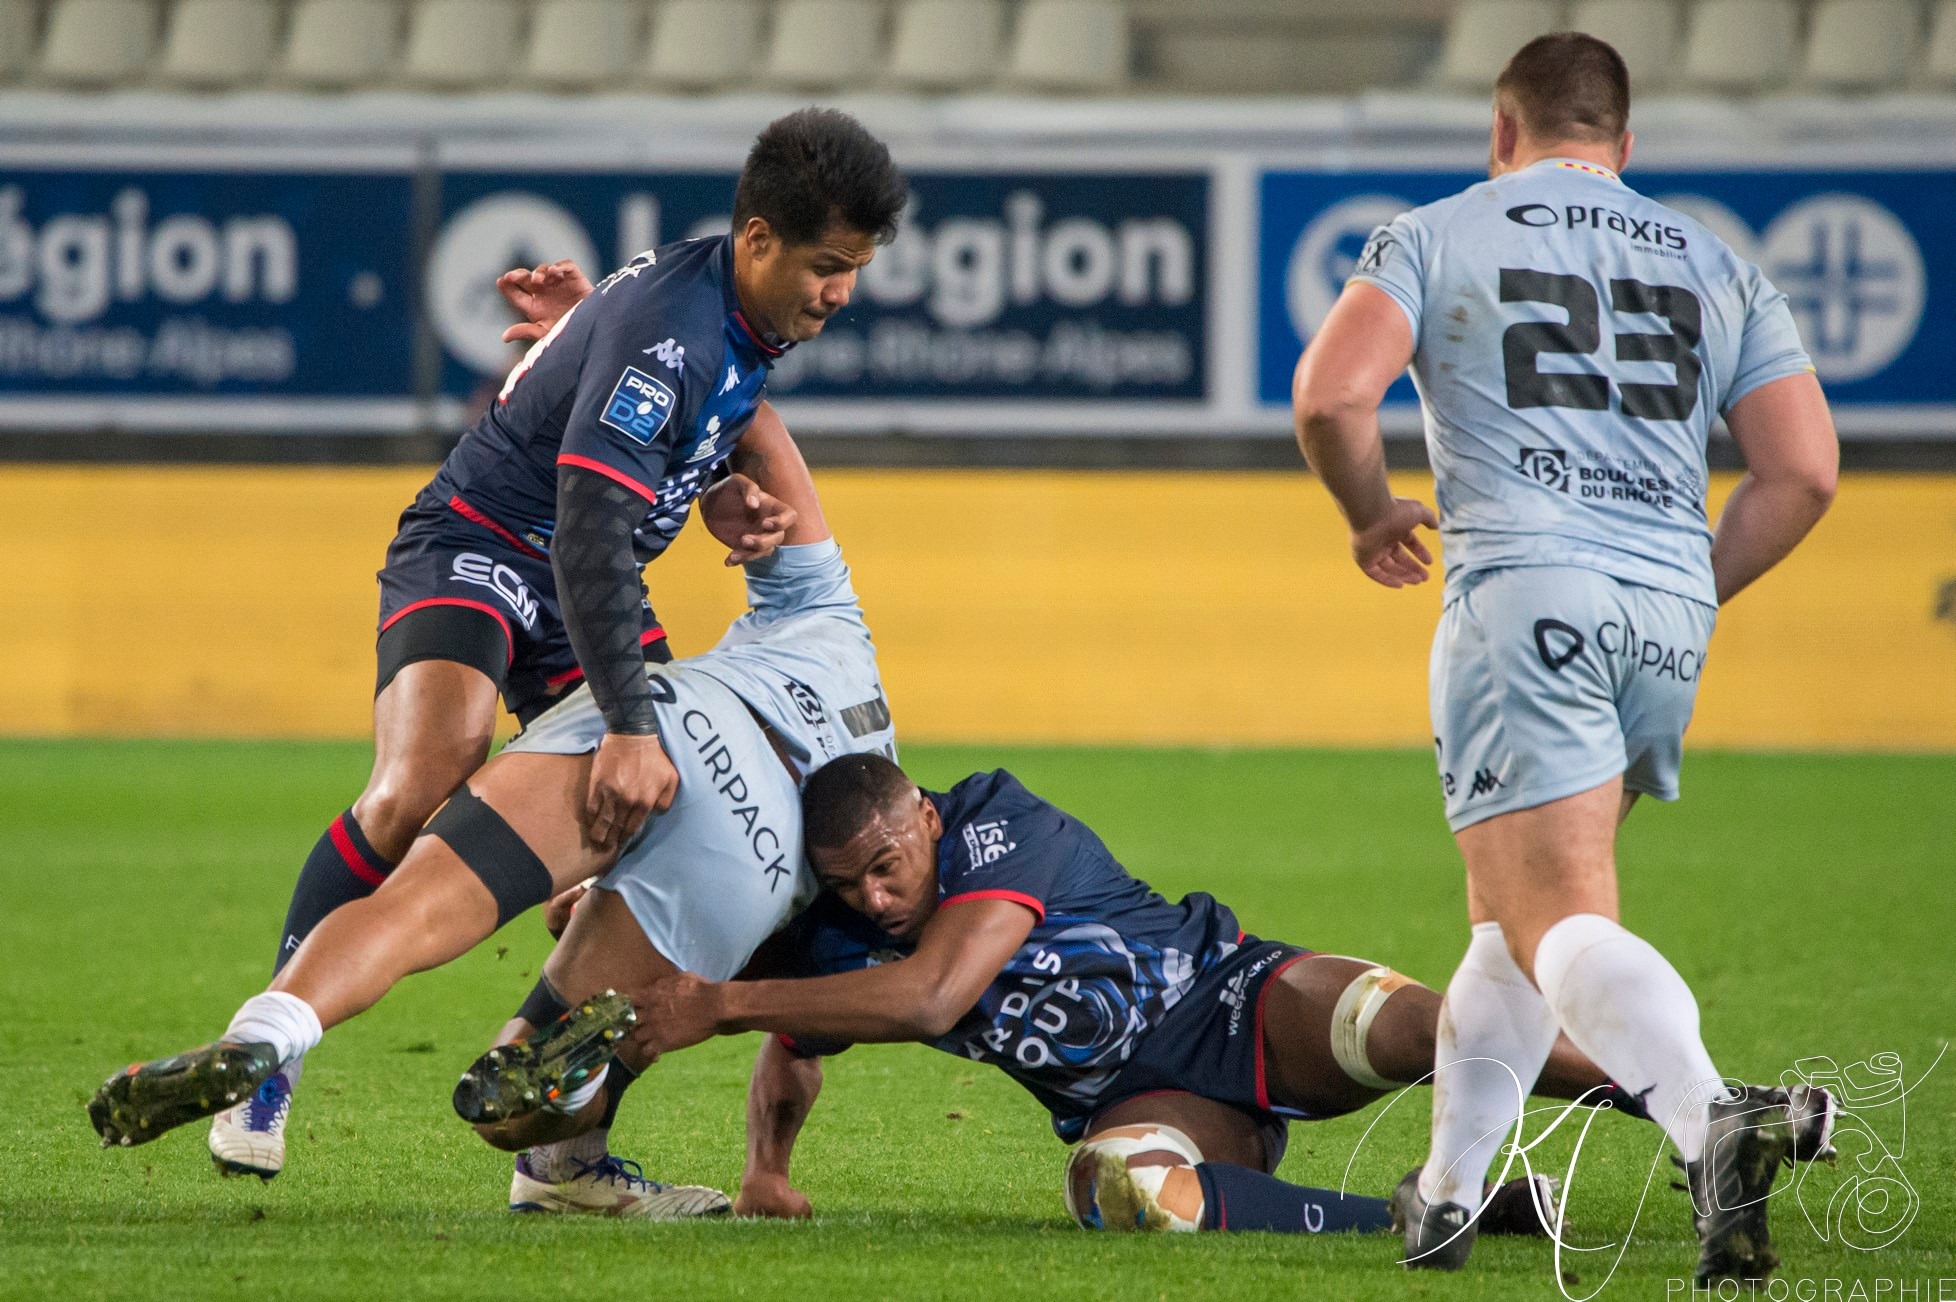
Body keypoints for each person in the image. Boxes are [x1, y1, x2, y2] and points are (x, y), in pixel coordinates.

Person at [207, 106, 907, 1181]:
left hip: (589, 579)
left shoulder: (740, 320)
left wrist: (713, 487)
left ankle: (567, 1154)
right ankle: (265, 1060)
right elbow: (586, 527)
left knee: (655, 805)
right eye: (827, 265)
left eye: (855, 269)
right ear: (760, 238)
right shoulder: (674, 334)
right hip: (488, 544)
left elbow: (660, 438)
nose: (841, 293)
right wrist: (629, 720)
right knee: (423, 777)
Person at [1289, 32, 1838, 1282]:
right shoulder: (1717, 261)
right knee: (1512, 921)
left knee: (1554, 915)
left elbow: (1330, 396)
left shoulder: (1437, 232)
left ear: (1502, 132)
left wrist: (1371, 514)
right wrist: (1688, 584)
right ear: (1625, 146)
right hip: (1664, 611)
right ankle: (1446, 1193)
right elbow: (1804, 469)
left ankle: (1710, 1116)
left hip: (1523, 591)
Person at [90, 427, 901, 1224]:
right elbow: (827, 1019)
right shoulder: (874, 865)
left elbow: (760, 431)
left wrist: (610, 356)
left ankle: (269, 1033)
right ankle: (555, 1146)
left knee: (411, 905)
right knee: (522, 1095)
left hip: (660, 720)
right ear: (922, 815)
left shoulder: (836, 616)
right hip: (749, 856)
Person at [624, 756, 1828, 1235]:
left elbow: (936, 995)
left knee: (1422, 1026)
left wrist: (718, 1004)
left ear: (924, 820)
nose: (878, 898)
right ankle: (1450, 1214)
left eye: (890, 866)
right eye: (852, 885)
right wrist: (766, 1167)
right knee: (1119, 1190)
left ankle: (1712, 1107)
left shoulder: (998, 821)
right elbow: (801, 1041)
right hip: (1152, 1096)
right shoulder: (841, 930)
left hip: (1241, 997)